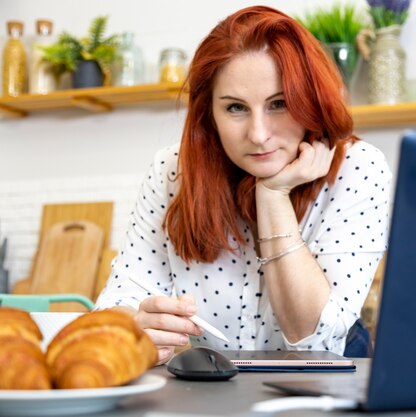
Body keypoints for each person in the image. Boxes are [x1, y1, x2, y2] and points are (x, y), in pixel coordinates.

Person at [95, 5, 392, 364]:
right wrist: (134, 325)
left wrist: (273, 195)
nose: (259, 134)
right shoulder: (172, 171)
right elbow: (118, 302)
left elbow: (315, 339)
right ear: (210, 114)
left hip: (333, 378)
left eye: (279, 104)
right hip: (217, 382)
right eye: (236, 108)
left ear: (311, 101)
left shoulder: (359, 168)